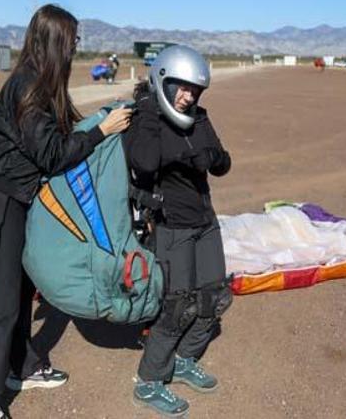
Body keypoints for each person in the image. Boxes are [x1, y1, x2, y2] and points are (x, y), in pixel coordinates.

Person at [0, 4, 132, 419]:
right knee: (3, 300)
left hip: (18, 200)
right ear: (56, 41)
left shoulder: (40, 83)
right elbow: (54, 154)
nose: (76, 47)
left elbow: (61, 134)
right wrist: (101, 132)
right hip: (1, 204)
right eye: (72, 40)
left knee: (20, 291)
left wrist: (103, 119)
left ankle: (22, 366)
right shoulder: (29, 87)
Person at [123, 45, 232, 417]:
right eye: (182, 88)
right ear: (164, 81)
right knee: (177, 307)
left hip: (205, 220)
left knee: (215, 297)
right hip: (171, 226)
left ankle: (184, 360)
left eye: (195, 90)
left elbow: (223, 162)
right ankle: (150, 381)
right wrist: (177, 149)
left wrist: (211, 158)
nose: (188, 97)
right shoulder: (147, 115)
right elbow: (143, 161)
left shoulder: (199, 117)